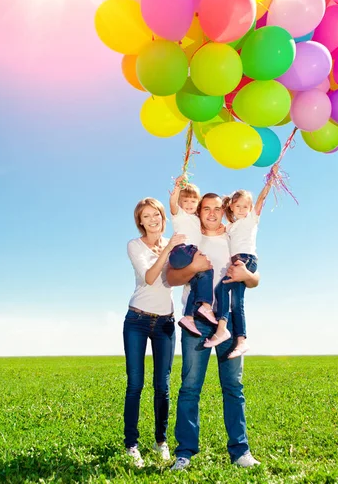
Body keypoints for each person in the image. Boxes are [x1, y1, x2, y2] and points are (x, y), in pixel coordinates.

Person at [166, 193, 261, 471]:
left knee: (233, 388)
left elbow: (254, 278)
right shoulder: (191, 237)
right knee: (190, 388)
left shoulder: (234, 235)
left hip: (228, 322)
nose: (211, 213)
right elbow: (171, 277)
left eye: (216, 208)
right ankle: (184, 453)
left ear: (224, 210)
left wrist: (249, 276)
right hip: (196, 321)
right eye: (205, 208)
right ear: (198, 212)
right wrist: (194, 267)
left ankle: (240, 451)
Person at [124, 197, 185, 468]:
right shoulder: (134, 246)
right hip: (137, 319)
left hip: (166, 324)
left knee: (163, 387)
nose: (152, 219)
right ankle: (131, 445)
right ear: (140, 221)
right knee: (135, 385)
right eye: (146, 216)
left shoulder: (174, 244)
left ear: (163, 216)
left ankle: (161, 441)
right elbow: (149, 277)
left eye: (156, 214)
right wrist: (168, 247)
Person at [205, 165, 279, 358]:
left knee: (225, 292)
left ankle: (226, 332)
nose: (242, 209)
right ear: (230, 206)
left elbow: (262, 199)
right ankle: (240, 340)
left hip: (246, 260)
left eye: (245, 206)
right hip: (236, 261)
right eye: (238, 206)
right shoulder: (230, 227)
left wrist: (270, 180)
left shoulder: (251, 220)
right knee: (234, 300)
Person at [169, 176, 217, 336]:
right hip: (182, 251)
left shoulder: (196, 219)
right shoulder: (179, 215)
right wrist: (177, 187)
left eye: (193, 201)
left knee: (196, 282)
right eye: (185, 201)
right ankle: (206, 306)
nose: (189, 204)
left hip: (188, 253)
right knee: (207, 268)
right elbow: (172, 204)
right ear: (181, 203)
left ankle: (188, 317)